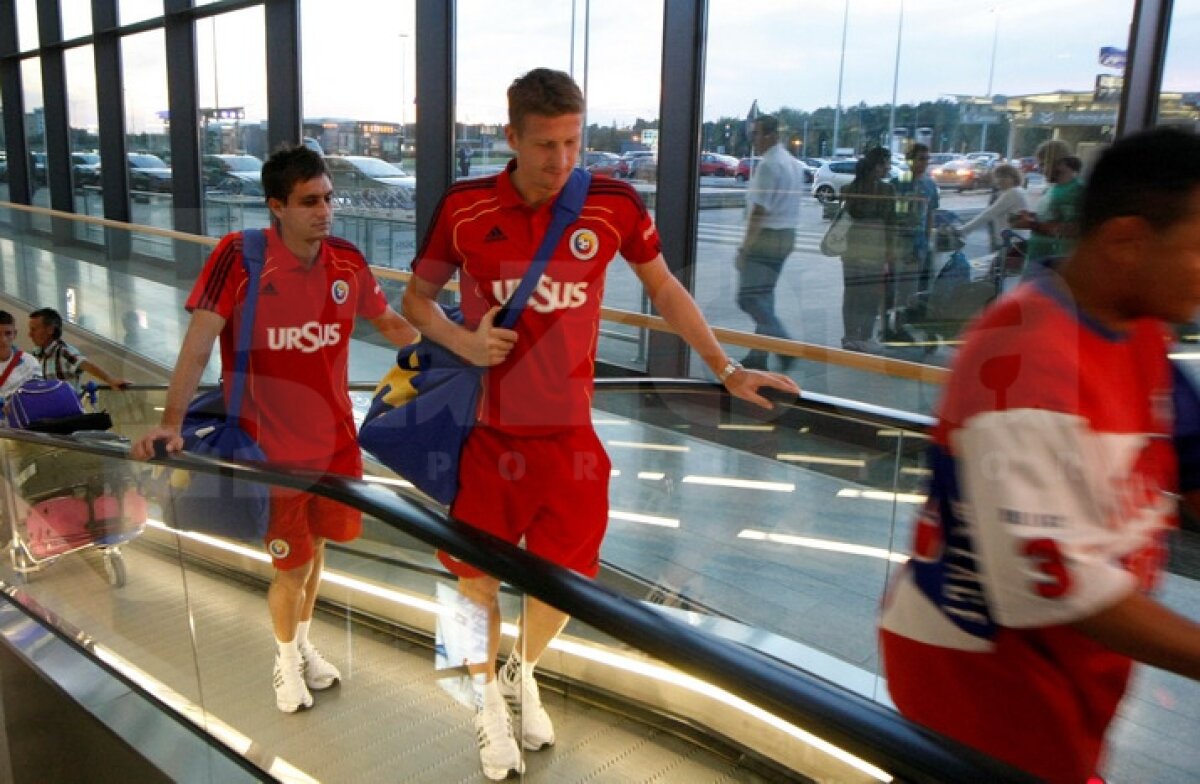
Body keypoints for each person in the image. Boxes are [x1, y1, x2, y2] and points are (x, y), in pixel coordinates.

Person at [402, 67, 799, 781]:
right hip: (484, 434)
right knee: (473, 583)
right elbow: (417, 299)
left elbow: (665, 288)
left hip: (568, 434)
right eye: (545, 144)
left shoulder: (610, 204)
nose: (561, 161)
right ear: (511, 137)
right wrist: (462, 342)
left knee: (565, 579)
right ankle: (484, 702)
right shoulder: (463, 207)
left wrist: (725, 369)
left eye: (573, 143)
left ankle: (520, 671)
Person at [879, 127, 1200, 783]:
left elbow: (1191, 456)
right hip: (983, 690)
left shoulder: (1139, 330)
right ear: (1127, 242)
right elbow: (1062, 590)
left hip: (1068, 676)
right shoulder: (1023, 361)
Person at [131, 144, 418, 714]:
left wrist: (457, 356)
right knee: (289, 565)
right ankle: (284, 663)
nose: (325, 211)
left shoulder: (346, 261)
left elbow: (389, 323)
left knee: (316, 554)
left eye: (329, 198)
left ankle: (304, 644)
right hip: (271, 451)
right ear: (276, 207)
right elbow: (197, 345)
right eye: (310, 201)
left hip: (336, 445)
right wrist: (170, 423)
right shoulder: (238, 258)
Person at [735, 114, 804, 371]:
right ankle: (758, 355)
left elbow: (758, 213)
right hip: (787, 235)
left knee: (748, 298)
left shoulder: (768, 165)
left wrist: (744, 248)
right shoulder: (793, 164)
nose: (753, 140)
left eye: (757, 134)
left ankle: (783, 345)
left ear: (772, 135)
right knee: (765, 296)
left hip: (767, 237)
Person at [838, 147, 896, 351]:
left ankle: (851, 335)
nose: (888, 167)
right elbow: (891, 223)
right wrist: (890, 251)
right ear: (876, 166)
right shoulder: (887, 191)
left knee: (853, 293)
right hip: (873, 249)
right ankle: (863, 335)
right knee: (870, 293)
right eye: (886, 163)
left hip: (853, 249)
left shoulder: (851, 188)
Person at [1011, 139, 1083, 272]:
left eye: (1044, 164)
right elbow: (1052, 218)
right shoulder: (1054, 188)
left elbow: (1072, 230)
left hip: (1054, 267)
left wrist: (1032, 224)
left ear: (1060, 164)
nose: (1041, 170)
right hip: (1041, 261)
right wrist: (1031, 217)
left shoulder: (1075, 191)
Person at [889, 143, 939, 319]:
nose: (925, 162)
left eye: (927, 158)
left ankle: (906, 320)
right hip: (900, 241)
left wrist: (927, 240)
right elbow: (890, 215)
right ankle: (896, 322)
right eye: (921, 158)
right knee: (900, 286)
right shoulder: (897, 183)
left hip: (919, 243)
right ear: (910, 160)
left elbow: (931, 214)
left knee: (914, 285)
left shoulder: (930, 185)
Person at [28, 307, 130, 392]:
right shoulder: (35, 355)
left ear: (50, 330)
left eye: (34, 329)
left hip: (67, 412)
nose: (30, 334)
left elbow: (86, 365)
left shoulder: (63, 352)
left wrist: (111, 380)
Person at [0, 310, 42, 401]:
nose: (3, 339)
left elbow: (36, 395)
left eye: (8, 333)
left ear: (15, 334)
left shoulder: (30, 363)